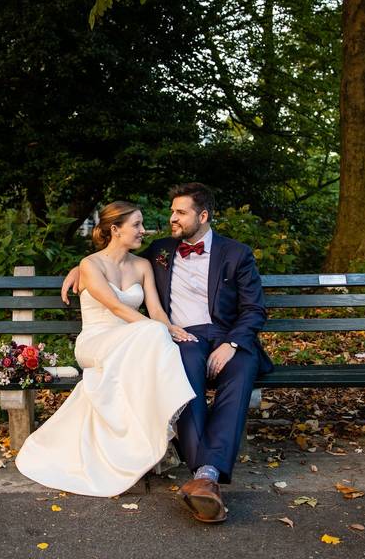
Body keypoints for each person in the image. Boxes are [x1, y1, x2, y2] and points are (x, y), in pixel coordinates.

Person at [60, 183, 272, 523]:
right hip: (183, 338)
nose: (172, 218)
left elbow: (254, 310)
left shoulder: (236, 253)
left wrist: (231, 344)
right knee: (182, 374)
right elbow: (112, 259)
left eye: (180, 213)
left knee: (242, 371)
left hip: (227, 337)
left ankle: (205, 476)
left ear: (202, 216)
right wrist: (79, 270)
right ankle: (207, 474)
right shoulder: (160, 250)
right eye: (172, 211)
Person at [14, 201, 197, 498]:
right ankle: (167, 418)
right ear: (115, 229)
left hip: (132, 341)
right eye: (136, 225)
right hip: (96, 342)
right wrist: (156, 329)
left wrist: (170, 328)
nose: (142, 230)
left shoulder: (142, 266)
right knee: (151, 335)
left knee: (154, 336)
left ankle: (138, 443)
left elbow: (155, 310)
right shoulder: (90, 265)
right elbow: (114, 307)